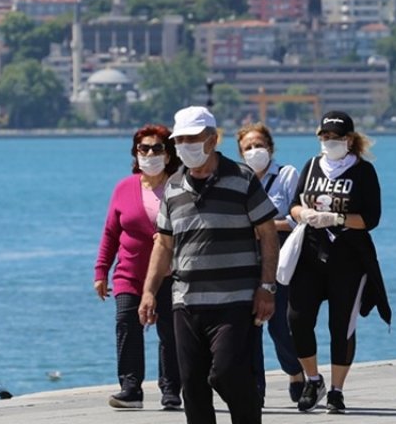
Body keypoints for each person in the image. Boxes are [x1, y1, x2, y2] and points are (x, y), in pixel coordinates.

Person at [138, 106, 279, 424]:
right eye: (180, 140)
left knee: (226, 373)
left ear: (213, 140)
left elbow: (268, 234)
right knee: (193, 389)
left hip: (234, 301)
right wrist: (148, 292)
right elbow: (163, 243)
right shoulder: (173, 186)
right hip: (186, 303)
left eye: (193, 138)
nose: (185, 145)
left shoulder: (242, 179)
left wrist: (267, 287)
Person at [286, 111, 391, 413]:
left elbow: (371, 219)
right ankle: (313, 378)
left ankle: (336, 390)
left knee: (341, 325)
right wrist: (302, 215)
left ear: (350, 140)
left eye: (337, 138)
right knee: (297, 318)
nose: (330, 142)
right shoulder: (311, 166)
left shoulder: (363, 172)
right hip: (310, 254)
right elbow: (294, 204)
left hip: (349, 258)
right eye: (325, 137)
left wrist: (337, 218)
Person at [94, 124, 183, 410]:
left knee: (170, 332)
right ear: (135, 153)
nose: (150, 153)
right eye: (143, 148)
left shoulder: (180, 185)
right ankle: (130, 388)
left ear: (168, 154)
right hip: (129, 275)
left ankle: (171, 389)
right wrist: (101, 271)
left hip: (170, 274)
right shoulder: (124, 188)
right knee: (126, 324)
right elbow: (110, 232)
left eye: (157, 148)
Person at [235, 123, 305, 403]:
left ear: (270, 147)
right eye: (247, 148)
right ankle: (255, 389)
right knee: (250, 327)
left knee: (279, 325)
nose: (254, 151)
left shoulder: (286, 174)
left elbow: (297, 216)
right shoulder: (239, 179)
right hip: (246, 259)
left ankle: (296, 372)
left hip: (280, 261)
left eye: (258, 145)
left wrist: (266, 227)